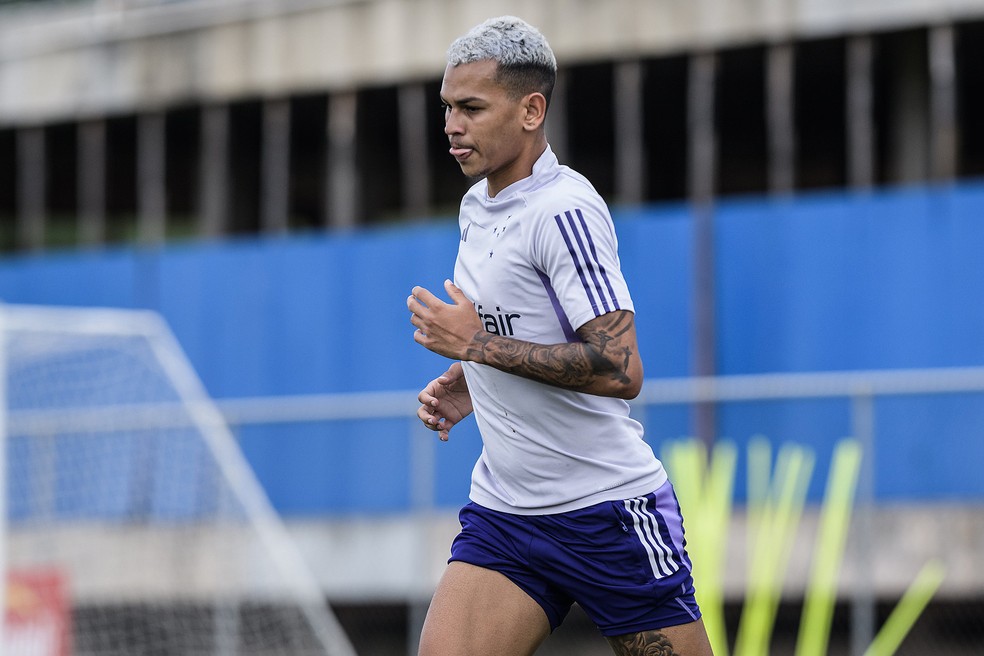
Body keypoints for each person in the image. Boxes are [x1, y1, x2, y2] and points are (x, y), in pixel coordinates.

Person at [407, 15, 713, 656]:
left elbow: (620, 367)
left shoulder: (564, 209)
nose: (451, 126)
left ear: (530, 110)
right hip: (506, 513)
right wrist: (474, 380)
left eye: (470, 108)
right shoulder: (476, 205)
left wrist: (477, 349)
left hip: (606, 513)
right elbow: (516, 325)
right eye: (446, 108)